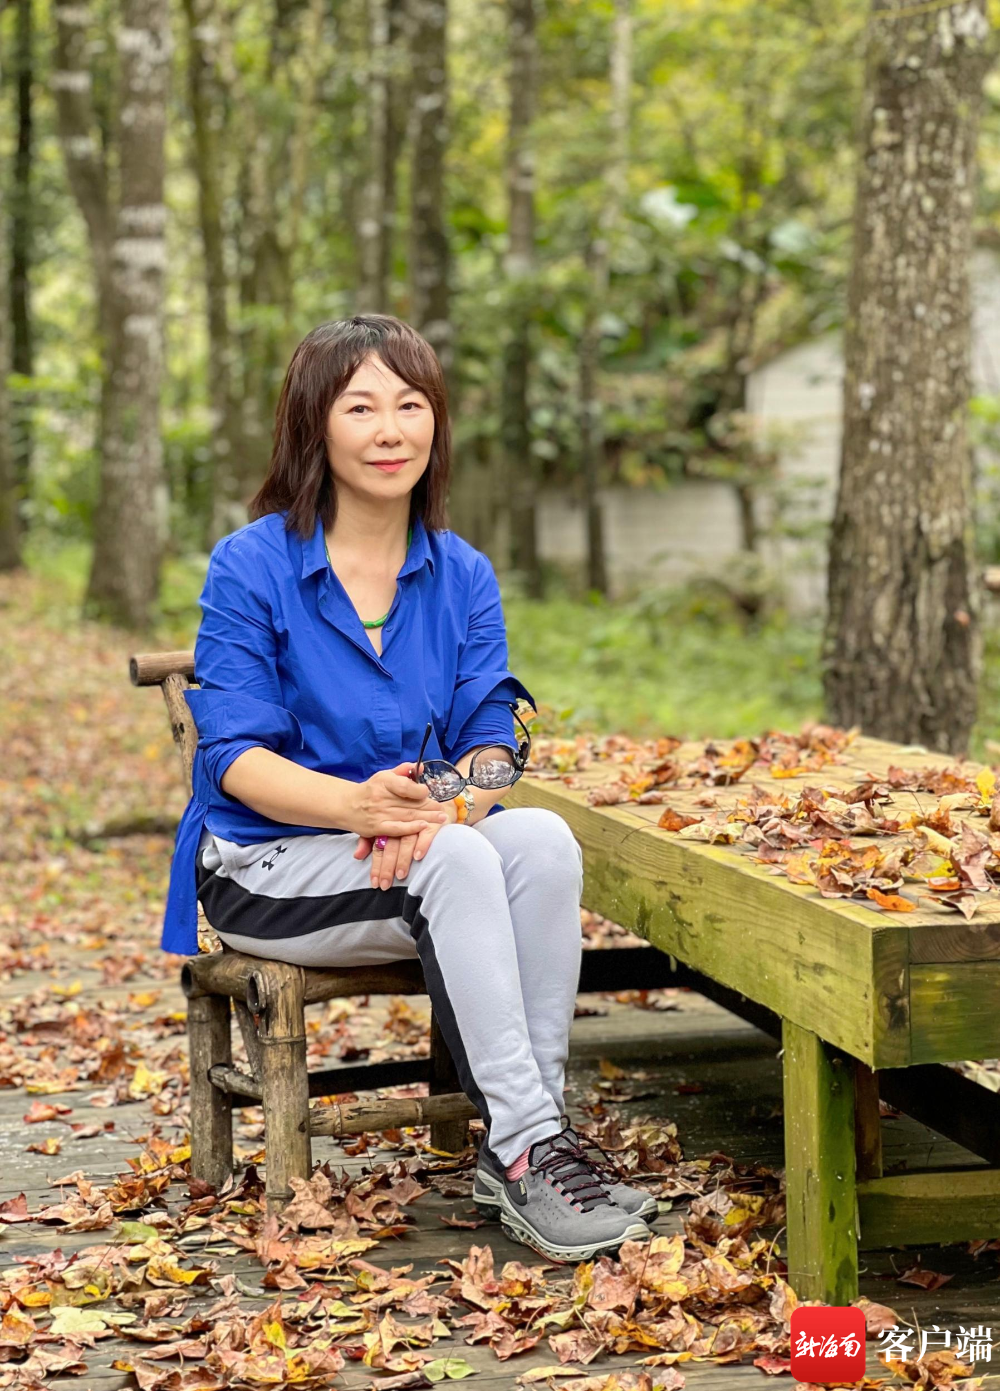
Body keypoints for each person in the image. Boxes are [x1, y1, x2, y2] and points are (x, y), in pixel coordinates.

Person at [161, 314, 655, 1262]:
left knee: (542, 841)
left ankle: (528, 1142)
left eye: (410, 403)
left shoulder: (460, 572)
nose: (390, 430)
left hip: (419, 845)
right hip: (269, 863)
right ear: (315, 426)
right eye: (360, 406)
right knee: (461, 859)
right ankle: (525, 1150)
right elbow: (229, 758)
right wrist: (357, 807)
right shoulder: (252, 565)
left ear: (436, 424)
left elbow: (494, 742)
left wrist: (443, 806)